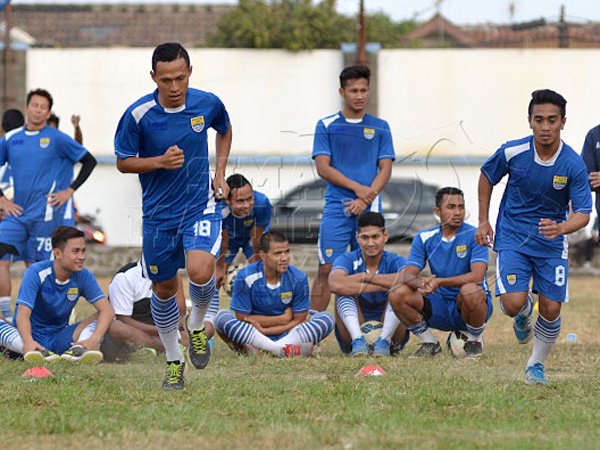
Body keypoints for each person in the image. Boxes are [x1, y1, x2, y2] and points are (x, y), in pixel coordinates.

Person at [114, 42, 232, 390]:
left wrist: (220, 174)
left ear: (190, 73)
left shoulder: (206, 103)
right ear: (154, 77)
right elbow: (122, 161)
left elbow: (224, 129)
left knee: (199, 269)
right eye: (166, 80)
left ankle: (196, 326)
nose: (175, 86)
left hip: (200, 206)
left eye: (180, 78)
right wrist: (158, 162)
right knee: (164, 289)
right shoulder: (138, 115)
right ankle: (173, 361)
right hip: (158, 217)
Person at [476, 89, 592, 384]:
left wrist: (561, 228)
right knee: (513, 303)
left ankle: (535, 365)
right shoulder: (513, 152)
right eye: (538, 119)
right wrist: (483, 221)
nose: (545, 126)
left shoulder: (573, 164)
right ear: (529, 121)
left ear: (563, 122)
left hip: (552, 243)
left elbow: (582, 213)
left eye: (552, 120)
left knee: (552, 309)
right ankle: (523, 311)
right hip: (513, 237)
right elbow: (487, 176)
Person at [0, 89, 97, 321]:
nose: (38, 110)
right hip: (16, 215)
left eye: (44, 107)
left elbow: (89, 161)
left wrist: (69, 190)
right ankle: (3, 317)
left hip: (45, 217)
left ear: (49, 112)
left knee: (40, 269)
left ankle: (47, 317)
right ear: (27, 107)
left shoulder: (56, 138)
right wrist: (2, 199)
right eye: (35, 105)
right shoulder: (11, 138)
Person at [311, 64, 395, 311]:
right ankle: (307, 334)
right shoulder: (326, 125)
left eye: (364, 90)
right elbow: (323, 167)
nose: (359, 96)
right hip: (337, 208)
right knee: (327, 268)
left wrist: (366, 198)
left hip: (370, 209)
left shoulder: (380, 126)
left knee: (369, 268)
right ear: (342, 92)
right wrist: (358, 189)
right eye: (354, 90)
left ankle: (369, 328)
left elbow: (386, 169)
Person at [388, 187, 492, 359]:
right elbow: (408, 275)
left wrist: (440, 282)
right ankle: (429, 343)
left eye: (461, 207)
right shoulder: (424, 237)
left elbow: (477, 276)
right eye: (451, 207)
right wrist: (421, 284)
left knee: (470, 290)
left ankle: (474, 341)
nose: (458, 212)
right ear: (438, 211)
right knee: (397, 293)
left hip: (470, 305)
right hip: (440, 305)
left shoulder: (475, 235)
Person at [0, 226, 114, 363]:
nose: (82, 257)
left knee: (103, 317)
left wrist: (95, 339)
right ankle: (35, 351)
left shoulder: (83, 276)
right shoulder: (36, 272)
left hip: (60, 338)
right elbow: (23, 314)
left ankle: (79, 350)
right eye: (75, 251)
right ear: (57, 253)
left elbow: (107, 310)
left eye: (83, 251)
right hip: (27, 337)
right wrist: (28, 341)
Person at [215, 231, 334, 357]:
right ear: (263, 255)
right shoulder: (245, 276)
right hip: (253, 334)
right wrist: (282, 319)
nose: (284, 258)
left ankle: (271, 349)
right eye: (277, 253)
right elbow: (243, 319)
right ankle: (283, 350)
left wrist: (266, 328)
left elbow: (299, 320)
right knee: (221, 318)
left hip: (289, 334)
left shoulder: (299, 278)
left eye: (287, 251)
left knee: (326, 318)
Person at [328, 211, 409, 356]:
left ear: (385, 236)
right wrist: (384, 284)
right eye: (365, 237)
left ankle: (384, 341)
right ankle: (358, 340)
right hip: (353, 333)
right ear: (357, 238)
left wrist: (365, 277)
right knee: (342, 292)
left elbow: (408, 278)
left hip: (393, 337)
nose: (370, 243)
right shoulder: (347, 259)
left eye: (375, 237)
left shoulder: (395, 260)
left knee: (401, 292)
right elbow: (335, 284)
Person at [103, 260, 219, 361]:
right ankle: (169, 347)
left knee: (207, 327)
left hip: (170, 331)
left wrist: (173, 332)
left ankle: (159, 348)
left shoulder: (173, 275)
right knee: (115, 328)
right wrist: (161, 331)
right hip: (140, 332)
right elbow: (123, 320)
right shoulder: (125, 277)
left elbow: (181, 315)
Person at [215, 173, 272, 289]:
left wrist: (260, 268)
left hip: (252, 238)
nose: (247, 205)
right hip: (229, 240)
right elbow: (223, 239)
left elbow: (257, 239)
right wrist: (220, 268)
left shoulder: (262, 203)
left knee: (264, 275)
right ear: (228, 200)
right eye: (240, 201)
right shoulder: (220, 209)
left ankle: (263, 303)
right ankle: (211, 305)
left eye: (250, 199)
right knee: (215, 277)